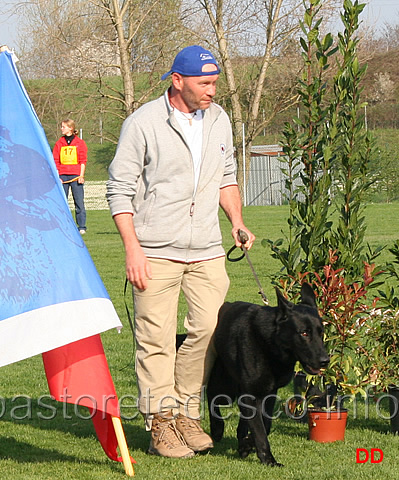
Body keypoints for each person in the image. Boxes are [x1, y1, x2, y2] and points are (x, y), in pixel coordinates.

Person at [106, 45, 255, 459]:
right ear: (178, 81)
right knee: (155, 341)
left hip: (207, 250)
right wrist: (132, 249)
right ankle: (160, 425)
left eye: (214, 83)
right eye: (204, 83)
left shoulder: (220, 119)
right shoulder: (143, 124)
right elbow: (118, 190)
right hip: (154, 251)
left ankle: (186, 414)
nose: (212, 91)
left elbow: (226, 177)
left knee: (207, 331)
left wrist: (236, 221)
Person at [52, 118, 87, 234]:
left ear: (70, 128)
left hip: (76, 176)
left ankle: (81, 226)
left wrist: (81, 175)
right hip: (62, 177)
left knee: (79, 202)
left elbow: (82, 160)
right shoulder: (59, 143)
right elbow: (55, 161)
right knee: (62, 202)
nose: (61, 129)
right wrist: (58, 176)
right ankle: (63, 225)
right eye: (61, 127)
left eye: (64, 127)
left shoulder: (80, 143)